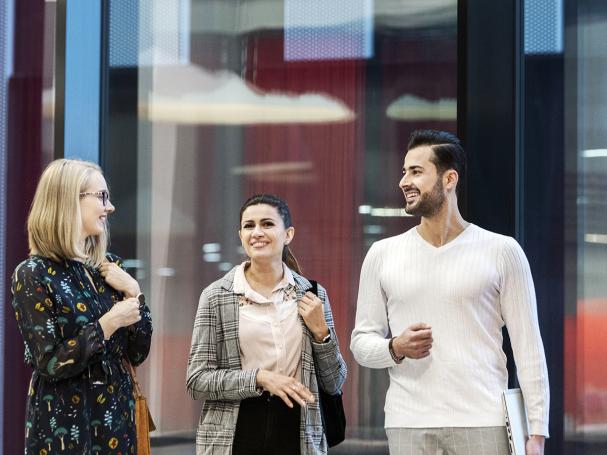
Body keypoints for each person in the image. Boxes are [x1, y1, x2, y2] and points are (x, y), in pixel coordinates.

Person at [350, 130, 550, 455]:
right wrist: (395, 347)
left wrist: (537, 431)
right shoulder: (382, 254)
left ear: (449, 179)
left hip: (485, 423)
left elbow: (529, 346)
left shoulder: (501, 251)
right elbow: (360, 343)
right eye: (404, 171)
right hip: (408, 423)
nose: (403, 181)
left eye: (416, 171)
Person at [11, 158, 153, 454]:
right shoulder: (32, 273)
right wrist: (109, 323)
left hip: (118, 423)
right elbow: (50, 363)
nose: (110, 207)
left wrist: (135, 293)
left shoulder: (109, 266)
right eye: (101, 196)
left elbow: (137, 352)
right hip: (65, 428)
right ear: (67, 200)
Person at [187, 193, 347, 455]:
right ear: (240, 235)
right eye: (249, 226)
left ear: (288, 234)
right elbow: (197, 380)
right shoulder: (216, 296)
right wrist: (260, 378)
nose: (257, 232)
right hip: (236, 431)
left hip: (298, 431)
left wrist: (322, 334)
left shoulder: (313, 294)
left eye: (268, 224)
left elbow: (334, 382)